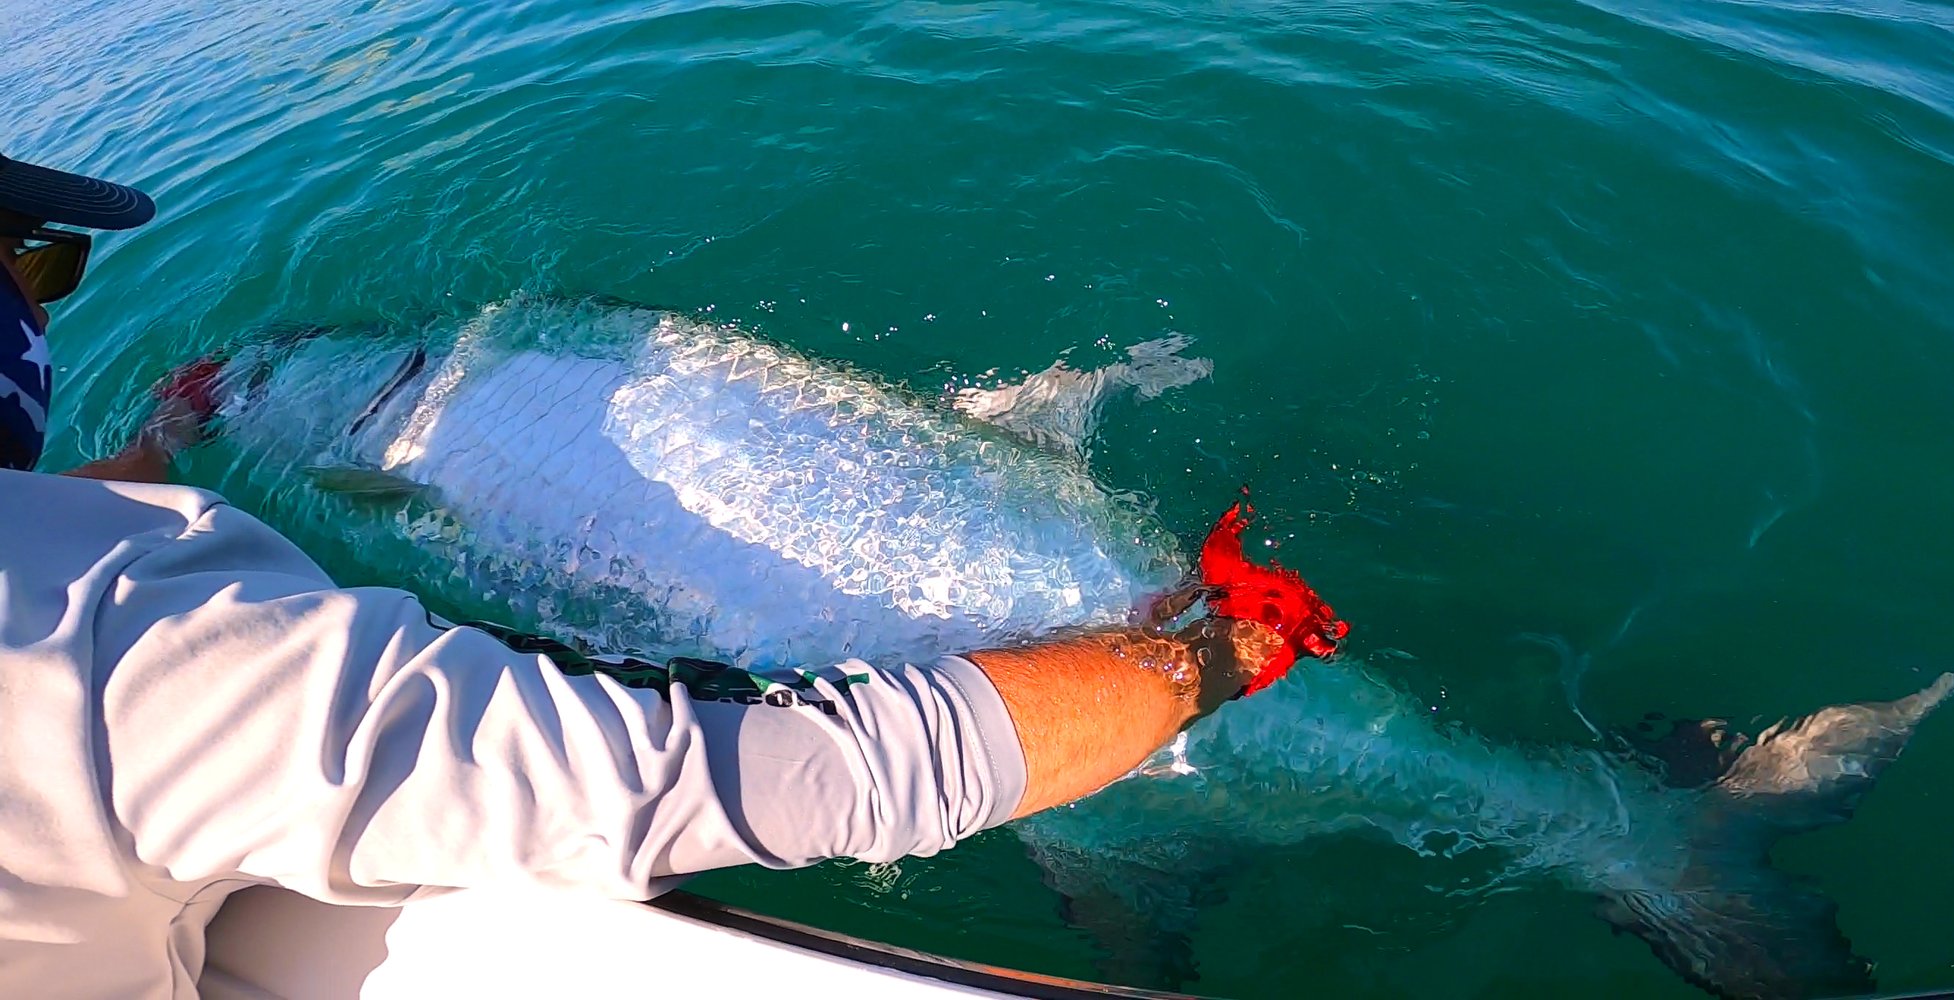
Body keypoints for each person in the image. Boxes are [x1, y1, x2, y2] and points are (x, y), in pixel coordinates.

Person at [0, 152, 1287, 998]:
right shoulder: (122, 625)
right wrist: (1198, 659)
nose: (45, 309)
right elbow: (686, 782)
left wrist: (165, 441)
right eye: (37, 263)